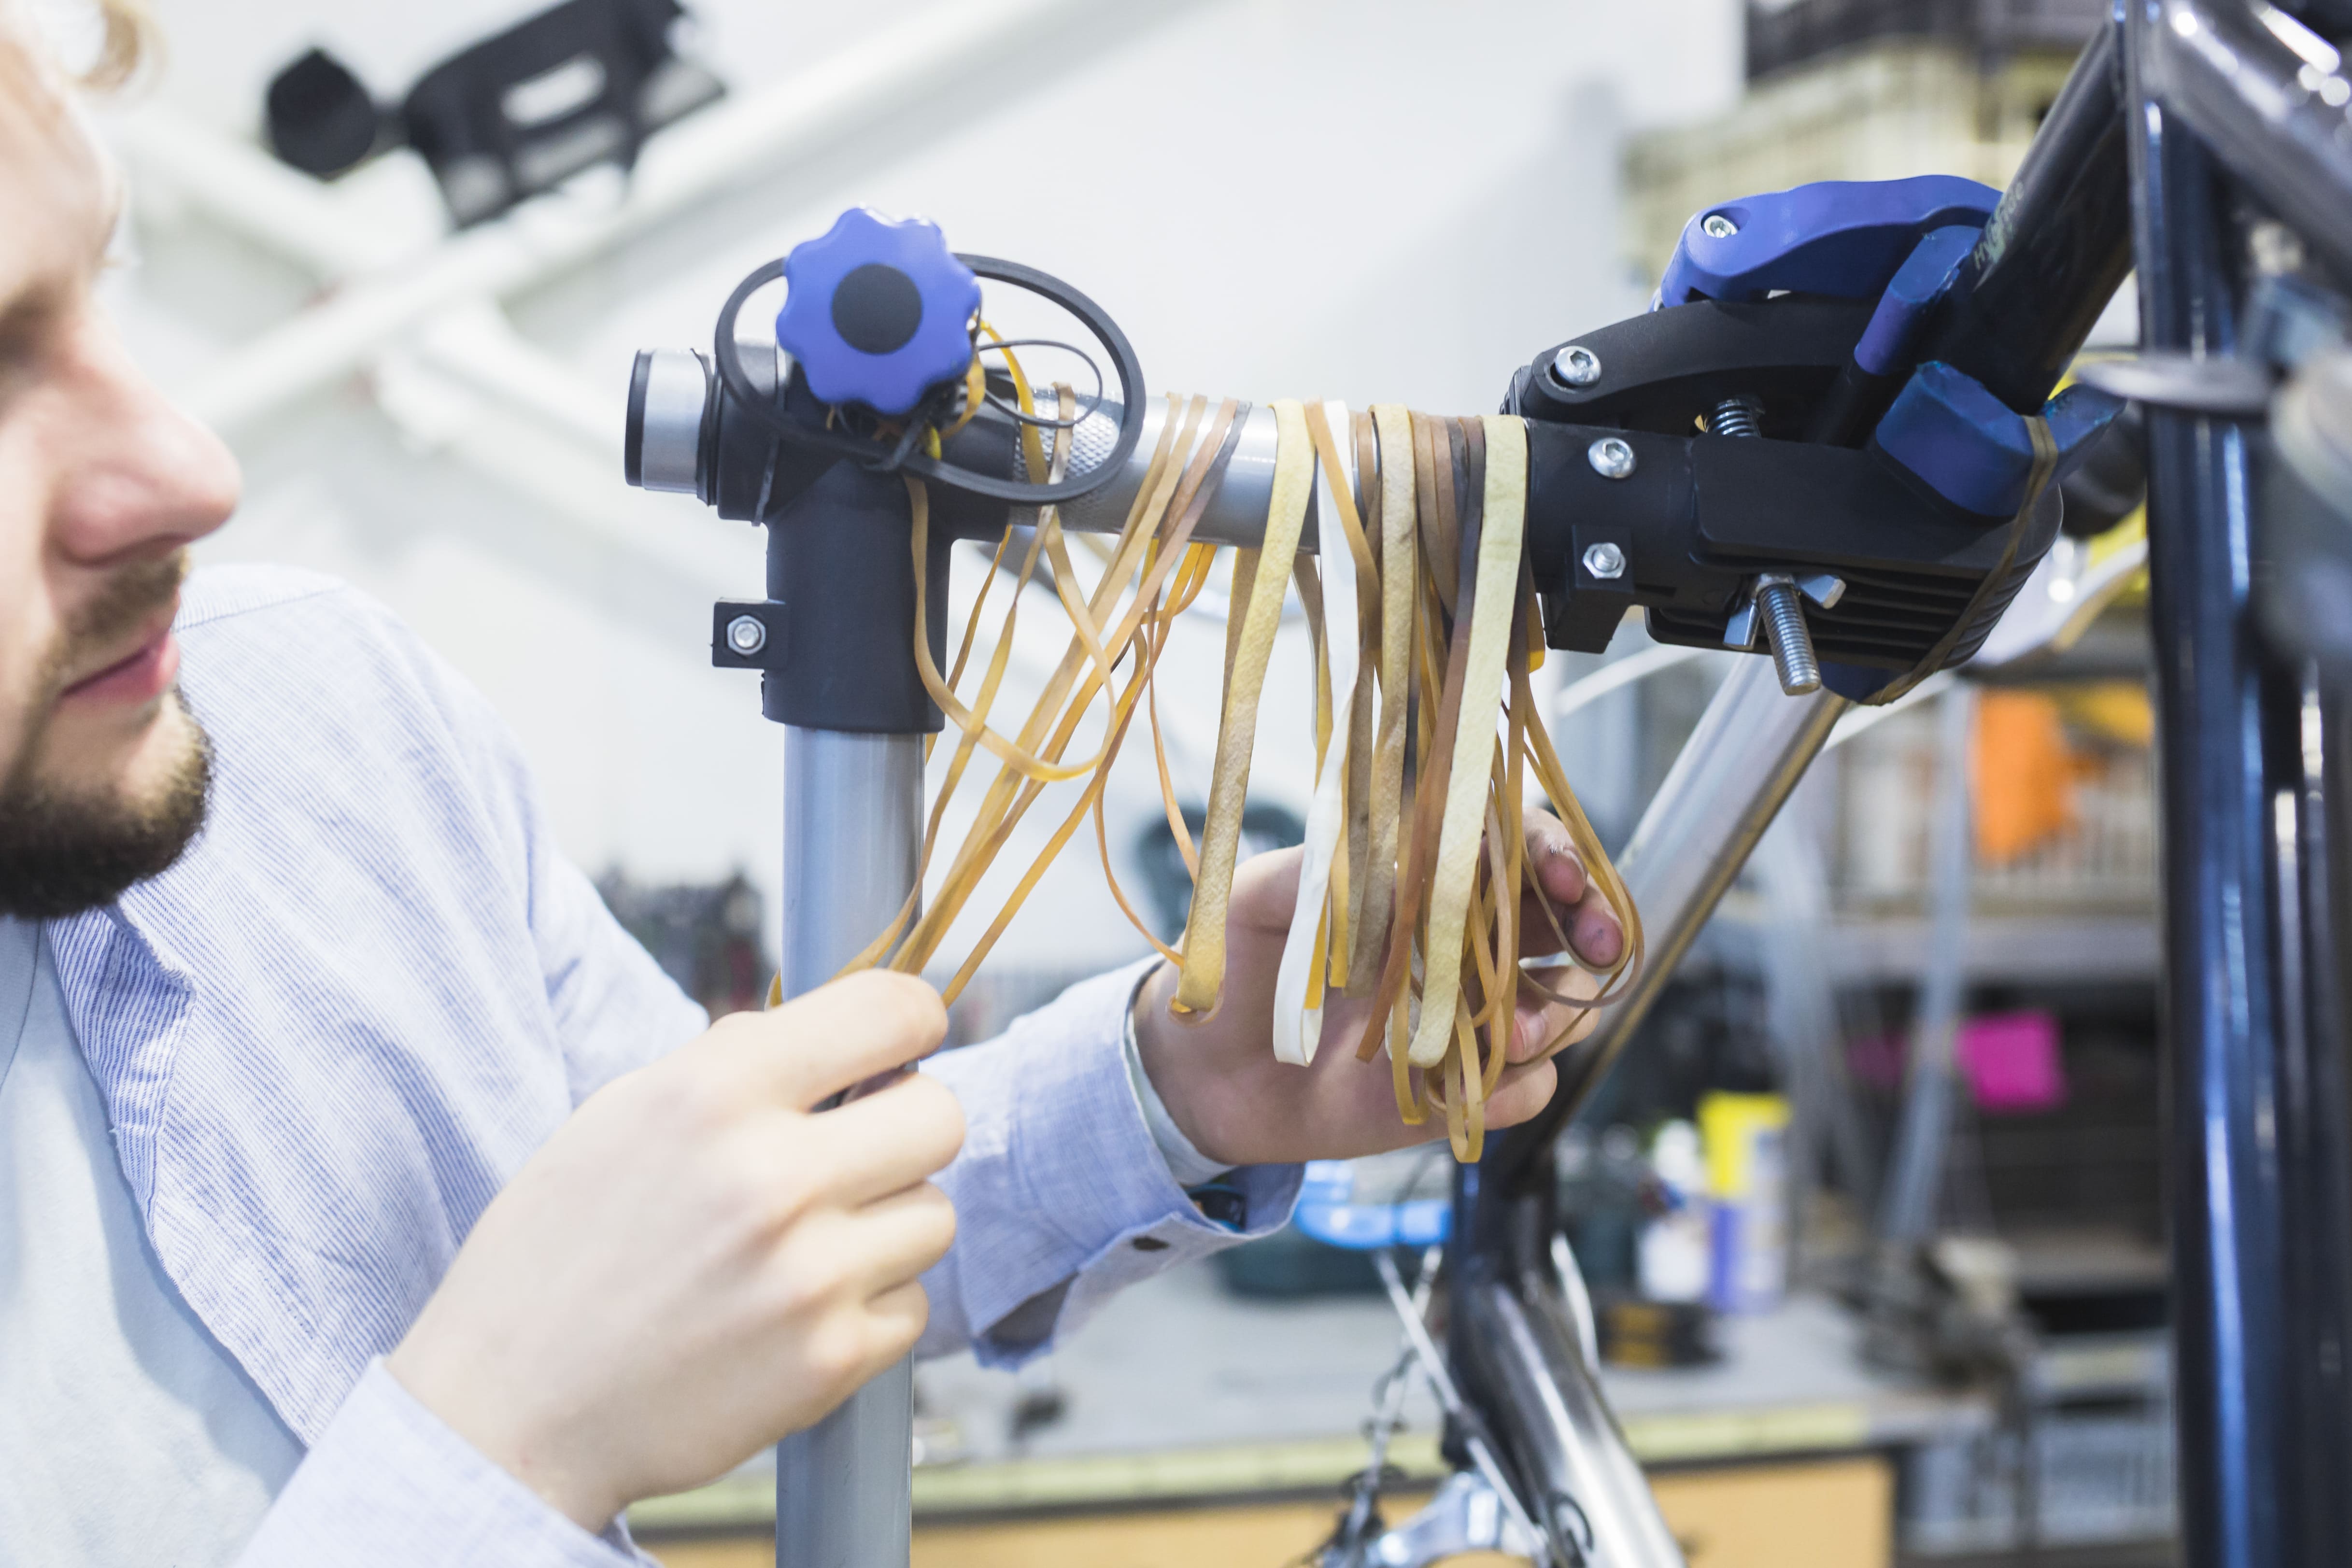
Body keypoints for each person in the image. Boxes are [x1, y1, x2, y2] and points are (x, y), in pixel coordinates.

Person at [0, 4, 1626, 1563]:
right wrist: (506, 1447)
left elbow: (763, 1224)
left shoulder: (317, 716)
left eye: (99, 292)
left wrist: (1181, 1085)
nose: (190, 473)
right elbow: (578, 1360)